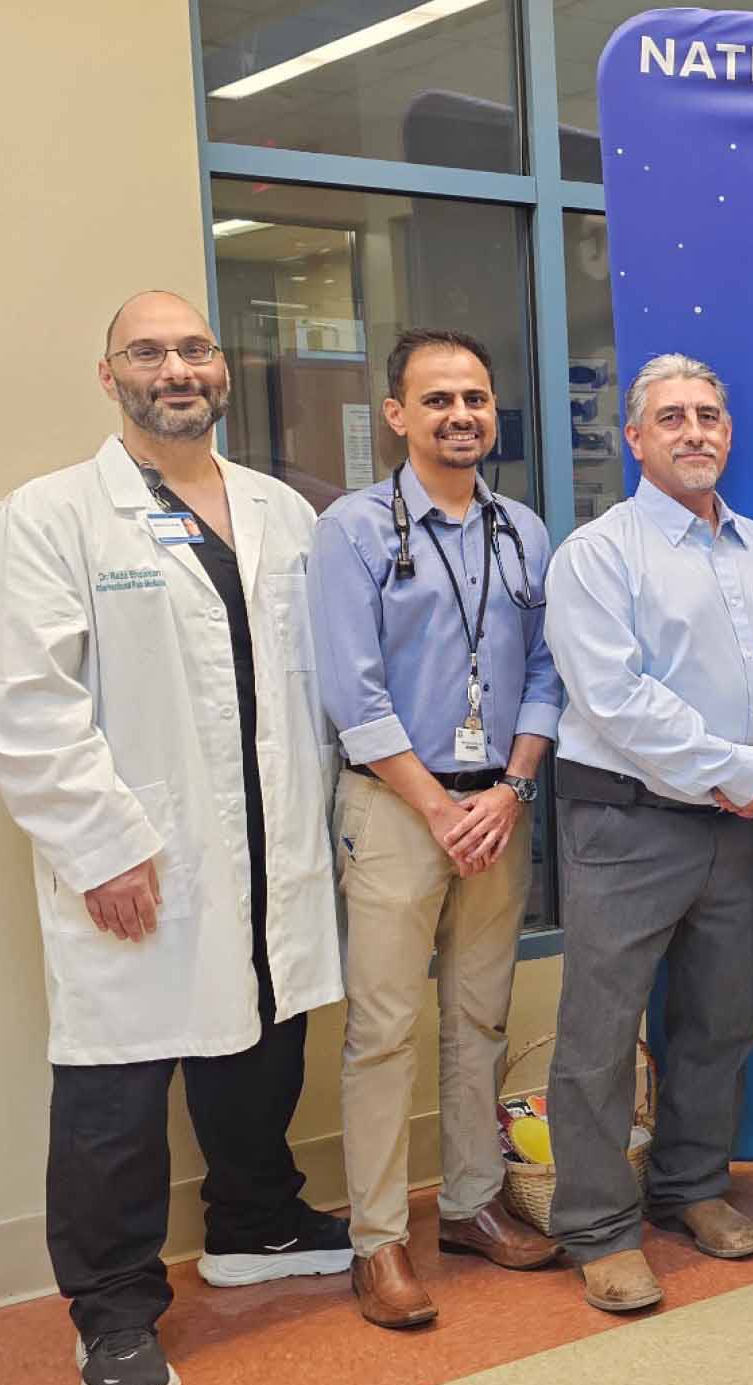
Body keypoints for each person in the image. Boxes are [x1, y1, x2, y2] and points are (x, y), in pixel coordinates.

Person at [0, 291, 350, 1385]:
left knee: (264, 1041)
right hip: (141, 852)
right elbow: (18, 698)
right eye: (150, 351)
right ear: (110, 374)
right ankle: (114, 1311)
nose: (175, 367)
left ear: (221, 369)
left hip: (271, 844)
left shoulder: (283, 511)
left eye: (193, 348)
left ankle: (255, 1220)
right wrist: (102, 844)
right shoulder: (54, 516)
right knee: (115, 1092)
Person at [541, 353, 753, 1312]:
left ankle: (691, 1188)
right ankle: (597, 1227)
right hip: (627, 825)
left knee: (722, 1020)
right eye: (671, 418)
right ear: (635, 438)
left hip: (741, 832)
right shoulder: (599, 553)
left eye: (708, 414)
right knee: (601, 1034)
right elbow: (613, 697)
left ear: (729, 432)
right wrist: (744, 769)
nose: (694, 431)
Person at [308, 329, 563, 1327]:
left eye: (477, 396)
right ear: (397, 416)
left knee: (480, 1018)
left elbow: (546, 672)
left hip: (497, 807)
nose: (463, 413)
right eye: (439, 398)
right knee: (381, 1030)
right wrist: (436, 804)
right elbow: (351, 690)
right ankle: (378, 1241)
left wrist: (509, 786)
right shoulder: (354, 530)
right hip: (396, 808)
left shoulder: (522, 530)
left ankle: (467, 1205)